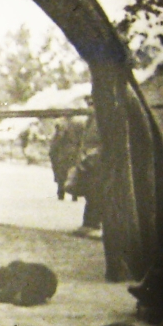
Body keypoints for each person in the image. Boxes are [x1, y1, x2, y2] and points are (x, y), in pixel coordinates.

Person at [71, 96, 103, 238]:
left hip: (98, 160)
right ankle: (89, 223)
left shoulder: (101, 120)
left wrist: (92, 154)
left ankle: (93, 223)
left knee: (96, 192)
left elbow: (101, 142)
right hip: (88, 159)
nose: (90, 107)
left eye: (92, 104)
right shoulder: (90, 121)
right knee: (90, 192)